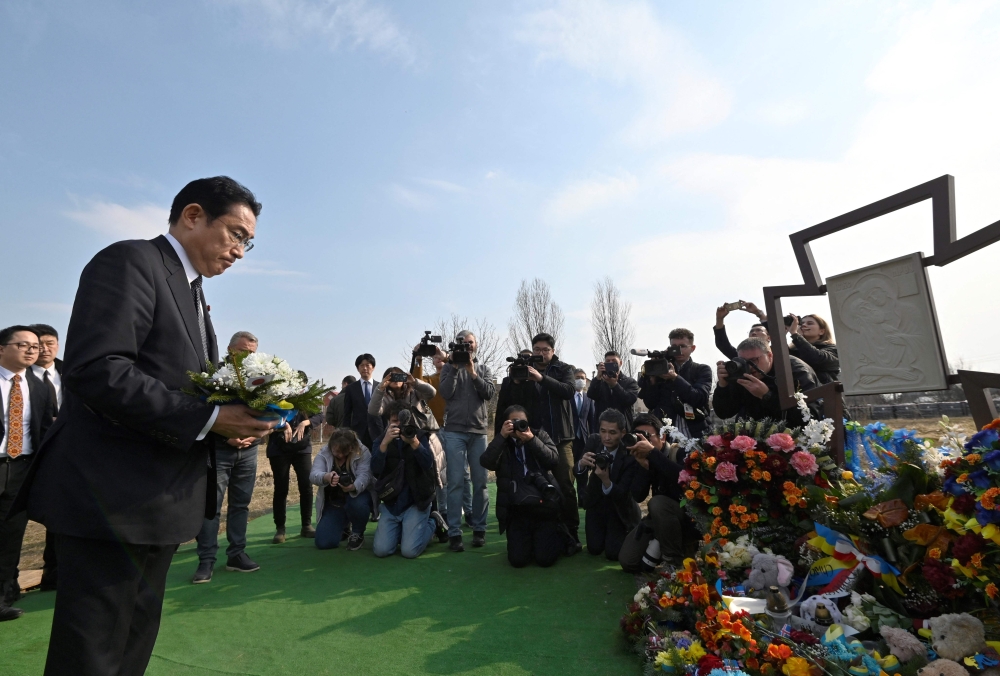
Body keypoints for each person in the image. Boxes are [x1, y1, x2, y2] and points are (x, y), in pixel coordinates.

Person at [22, 176, 275, 676]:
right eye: (236, 234)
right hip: (113, 497)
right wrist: (208, 418)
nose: (241, 251)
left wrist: (230, 420)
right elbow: (98, 369)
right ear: (194, 215)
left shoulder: (195, 294)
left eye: (249, 241)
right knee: (92, 653)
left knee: (131, 646)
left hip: (160, 499)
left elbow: (186, 389)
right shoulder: (132, 261)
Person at [192, 331, 269, 583]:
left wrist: (253, 436)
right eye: (243, 351)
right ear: (230, 350)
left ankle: (236, 554)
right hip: (220, 449)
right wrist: (228, 436)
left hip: (249, 450)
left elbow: (266, 413)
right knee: (211, 506)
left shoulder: (261, 379)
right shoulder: (215, 376)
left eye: (253, 352)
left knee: (241, 504)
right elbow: (206, 410)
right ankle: (206, 561)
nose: (248, 356)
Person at [0, 326, 57, 622]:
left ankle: (3, 598)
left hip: (21, 467)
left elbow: (46, 430)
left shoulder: (39, 385)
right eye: (23, 344)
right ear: (1, 348)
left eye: (35, 346)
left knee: (10, 537)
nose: (32, 350)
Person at [480, 405, 565, 568]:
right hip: (517, 509)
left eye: (522, 421)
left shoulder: (539, 435)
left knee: (545, 560)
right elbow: (486, 462)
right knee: (518, 561)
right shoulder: (503, 443)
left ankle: (556, 535)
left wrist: (532, 440)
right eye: (513, 421)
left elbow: (553, 460)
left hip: (543, 506)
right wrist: (501, 436)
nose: (517, 424)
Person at [518, 332, 580, 552]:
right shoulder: (525, 368)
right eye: (537, 349)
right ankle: (544, 531)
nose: (541, 353)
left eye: (545, 350)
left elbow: (569, 391)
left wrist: (542, 378)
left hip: (561, 438)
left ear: (553, 351)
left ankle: (571, 532)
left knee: (565, 484)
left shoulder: (564, 369)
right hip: (534, 438)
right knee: (537, 484)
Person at [370, 365, 447, 540]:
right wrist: (380, 387)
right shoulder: (385, 396)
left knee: (427, 476)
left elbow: (432, 393)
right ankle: (404, 524)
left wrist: (415, 381)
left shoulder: (414, 391)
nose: (396, 380)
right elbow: (373, 410)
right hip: (395, 440)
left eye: (400, 376)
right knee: (401, 476)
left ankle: (435, 517)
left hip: (419, 435)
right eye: (392, 377)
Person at [439, 330, 495, 552]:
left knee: (481, 482)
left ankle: (479, 529)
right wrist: (453, 368)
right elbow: (445, 393)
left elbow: (489, 393)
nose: (467, 346)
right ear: (456, 346)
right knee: (455, 482)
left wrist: (473, 373)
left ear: (476, 345)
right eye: (463, 343)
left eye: (470, 343)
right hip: (454, 431)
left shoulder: (483, 369)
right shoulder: (448, 368)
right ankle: (454, 532)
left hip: (478, 431)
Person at [618, 413, 693, 572]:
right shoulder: (641, 457)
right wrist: (644, 468)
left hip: (687, 519)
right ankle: (661, 543)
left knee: (657, 502)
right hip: (660, 520)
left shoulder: (679, 452)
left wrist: (654, 454)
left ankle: (674, 561)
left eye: (647, 436)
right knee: (628, 561)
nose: (643, 442)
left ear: (663, 437)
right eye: (639, 437)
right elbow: (638, 495)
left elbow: (684, 480)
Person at [413, 347, 473, 533]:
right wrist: (418, 357)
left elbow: (459, 370)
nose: (438, 359)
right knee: (440, 474)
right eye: (435, 357)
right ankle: (444, 510)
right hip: (436, 430)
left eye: (442, 356)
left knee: (463, 472)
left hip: (456, 427)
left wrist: (447, 357)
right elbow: (416, 381)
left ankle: (469, 510)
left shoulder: (455, 375)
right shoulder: (430, 380)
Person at [370, 401, 440, 558]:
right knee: (381, 550)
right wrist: (384, 444)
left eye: (402, 421)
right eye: (394, 421)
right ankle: (404, 530)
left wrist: (414, 443)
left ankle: (433, 522)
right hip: (391, 502)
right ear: (388, 421)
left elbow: (428, 463)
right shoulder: (381, 440)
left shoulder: (419, 435)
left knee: (409, 551)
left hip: (416, 501)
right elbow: (375, 470)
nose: (399, 425)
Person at [574, 409, 645, 561]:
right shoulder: (594, 441)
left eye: (612, 433)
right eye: (603, 431)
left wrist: (606, 480)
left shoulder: (629, 453)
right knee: (594, 549)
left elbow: (624, 495)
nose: (606, 437)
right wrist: (581, 464)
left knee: (613, 553)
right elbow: (577, 472)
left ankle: (627, 530)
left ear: (622, 432)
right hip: (596, 503)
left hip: (618, 508)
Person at [713, 337, 820, 426]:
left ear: (770, 355)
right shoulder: (741, 372)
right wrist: (723, 386)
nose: (749, 366)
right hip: (754, 437)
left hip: (793, 437)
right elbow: (724, 413)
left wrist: (767, 395)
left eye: (754, 360)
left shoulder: (794, 370)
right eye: (744, 361)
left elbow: (809, 417)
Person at [267, 378, 324, 544]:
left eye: (302, 383)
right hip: (279, 449)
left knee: (306, 486)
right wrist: (283, 424)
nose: (298, 386)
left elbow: (320, 415)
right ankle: (280, 529)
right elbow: (267, 415)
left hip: (302, 448)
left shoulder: (307, 401)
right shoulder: (277, 397)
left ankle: (306, 525)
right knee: (281, 488)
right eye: (295, 382)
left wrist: (305, 422)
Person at [29, 323, 62, 591]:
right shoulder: (19, 376)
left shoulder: (72, 371)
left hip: (66, 457)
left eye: (50, 343)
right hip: (27, 457)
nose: (44, 349)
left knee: (60, 518)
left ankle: (53, 575)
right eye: (38, 345)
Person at [636, 329, 713, 438]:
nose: (678, 350)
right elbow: (650, 403)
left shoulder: (701, 369)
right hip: (665, 434)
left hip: (694, 433)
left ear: (692, 348)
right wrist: (652, 379)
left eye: (682, 346)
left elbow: (699, 398)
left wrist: (675, 378)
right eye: (674, 347)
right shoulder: (661, 370)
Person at [311, 428, 372, 551]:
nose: (340, 455)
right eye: (336, 451)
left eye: (344, 452)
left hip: (357, 497)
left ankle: (357, 532)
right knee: (324, 543)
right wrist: (326, 477)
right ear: (331, 445)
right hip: (335, 503)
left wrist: (354, 486)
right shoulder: (324, 453)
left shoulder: (362, 451)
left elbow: (365, 475)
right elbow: (313, 475)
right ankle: (343, 527)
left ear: (352, 447)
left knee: (358, 504)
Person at [586, 350, 639, 429]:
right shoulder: (600, 381)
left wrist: (614, 385)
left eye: (614, 361)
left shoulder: (630, 382)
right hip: (602, 427)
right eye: (608, 361)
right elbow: (591, 394)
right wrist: (598, 377)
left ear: (620, 363)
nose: (610, 363)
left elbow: (629, 399)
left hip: (623, 428)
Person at [342, 354, 382, 448]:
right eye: (361, 365)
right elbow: (347, 413)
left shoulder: (380, 387)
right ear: (357, 368)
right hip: (358, 432)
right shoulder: (351, 388)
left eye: (367, 365)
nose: (365, 368)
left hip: (378, 431)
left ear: (373, 367)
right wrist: (346, 433)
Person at [787, 314, 840, 384]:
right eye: (801, 323)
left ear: (822, 331)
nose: (804, 325)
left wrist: (795, 335)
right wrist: (782, 331)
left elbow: (816, 358)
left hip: (822, 391)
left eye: (810, 323)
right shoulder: (793, 349)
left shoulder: (832, 348)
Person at [571, 368, 595, 508]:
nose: (580, 380)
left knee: (583, 470)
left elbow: (591, 420)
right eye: (577, 377)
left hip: (584, 440)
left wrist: (592, 438)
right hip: (570, 439)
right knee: (569, 470)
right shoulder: (567, 397)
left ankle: (582, 499)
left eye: (583, 377)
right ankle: (570, 500)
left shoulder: (589, 398)